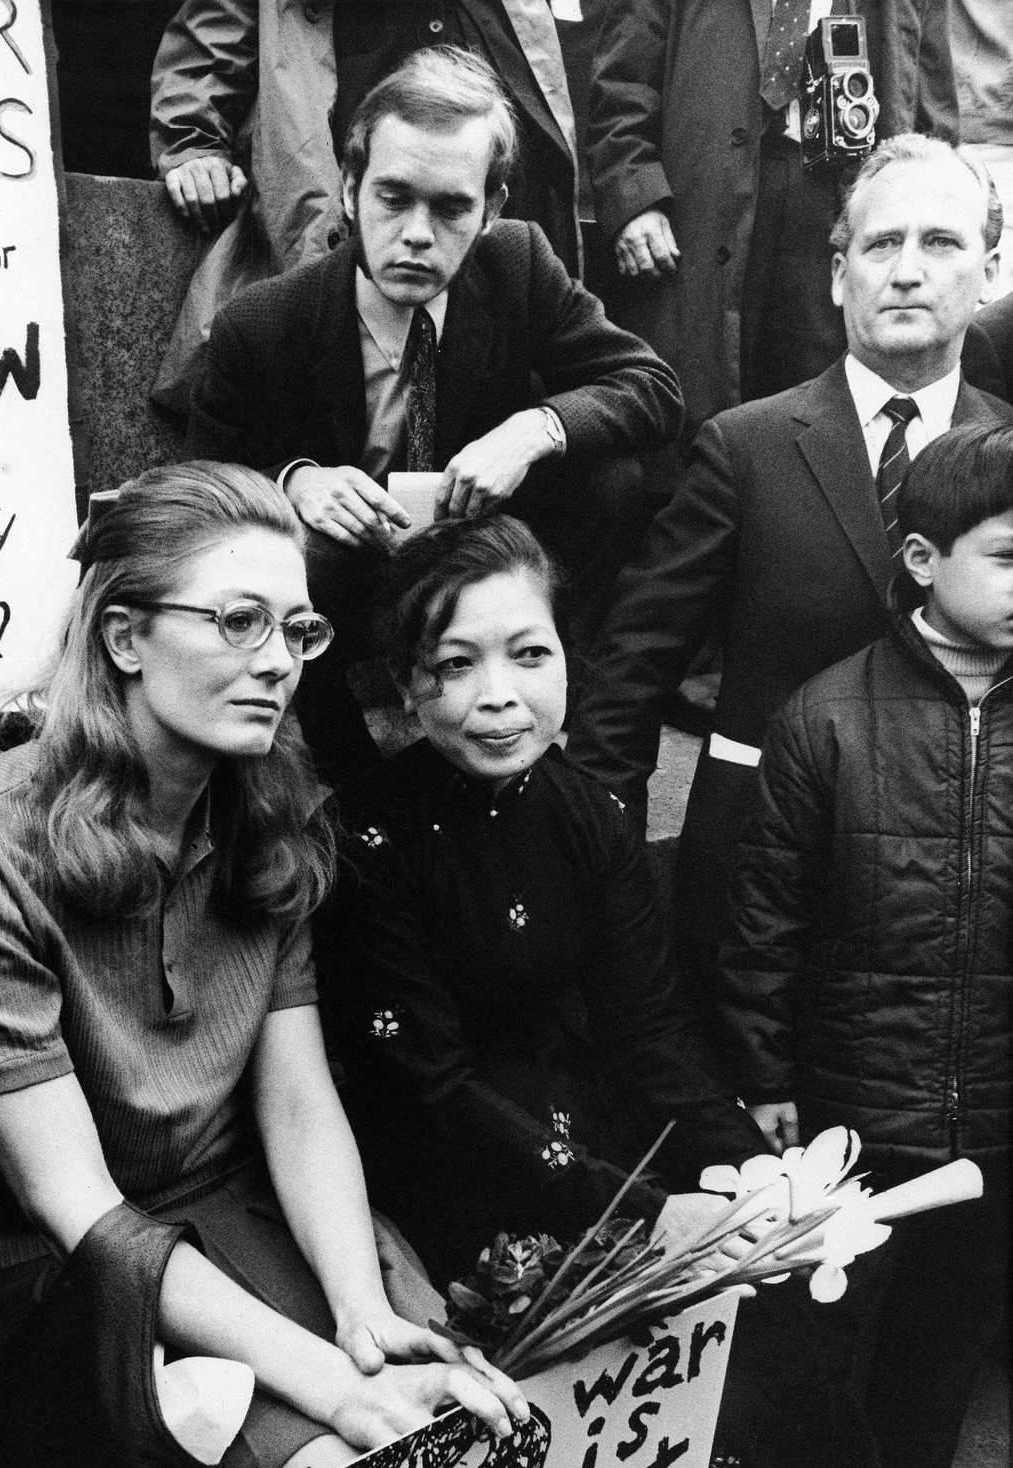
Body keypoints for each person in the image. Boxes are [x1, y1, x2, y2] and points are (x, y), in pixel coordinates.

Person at [316, 512, 960, 1468]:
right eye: (453, 666)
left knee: (803, 1301)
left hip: (600, 1130)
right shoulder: (368, 841)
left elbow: (654, 1029)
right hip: (462, 1174)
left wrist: (747, 1167)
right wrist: (640, 1205)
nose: (498, 695)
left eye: (529, 653)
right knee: (708, 1343)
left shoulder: (586, 805)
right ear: (403, 684)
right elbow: (424, 1089)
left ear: (572, 658)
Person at [0, 461, 526, 1468]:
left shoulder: (267, 810)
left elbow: (295, 1099)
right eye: (237, 621)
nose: (276, 660)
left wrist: (356, 1305)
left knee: (440, 1428)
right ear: (125, 637)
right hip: (49, 1259)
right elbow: (75, 1206)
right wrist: (322, 1375)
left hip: (223, 1198)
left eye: (297, 628)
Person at [567, 135, 1012, 1008]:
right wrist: (603, 860)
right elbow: (632, 672)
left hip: (969, 901)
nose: (908, 271)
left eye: (942, 243)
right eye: (881, 245)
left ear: (990, 269)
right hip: (760, 891)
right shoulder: (747, 447)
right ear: (838, 274)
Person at [188, 48, 684, 782]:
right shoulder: (264, 323)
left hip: (480, 563)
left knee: (610, 479)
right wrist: (293, 483)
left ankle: (537, 708)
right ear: (351, 189)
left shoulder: (518, 267)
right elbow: (196, 489)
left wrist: (534, 431)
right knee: (295, 554)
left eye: (451, 207)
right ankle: (350, 781)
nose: (418, 233)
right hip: (349, 585)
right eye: (393, 198)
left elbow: (651, 384)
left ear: (492, 210)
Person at [716, 424, 1011, 1468]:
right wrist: (766, 1073)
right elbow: (764, 922)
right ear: (921, 560)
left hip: (995, 1091)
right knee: (837, 1322)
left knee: (956, 1307)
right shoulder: (825, 717)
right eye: (1007, 554)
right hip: (855, 1091)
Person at [148, 0, 583, 412]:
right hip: (344, 162)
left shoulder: (517, 247)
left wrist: (544, 428)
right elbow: (213, 31)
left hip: (491, 161)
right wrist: (192, 137)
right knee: (326, 386)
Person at [585, 0, 958, 445]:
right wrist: (634, 196)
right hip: (701, 199)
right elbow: (622, 83)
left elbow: (932, 110)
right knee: (693, 395)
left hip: (840, 204)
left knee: (819, 412)